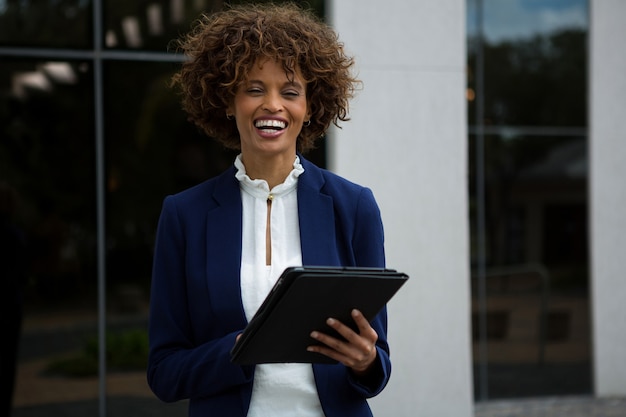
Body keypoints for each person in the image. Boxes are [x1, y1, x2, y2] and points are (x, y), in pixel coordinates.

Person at [147, 3, 391, 416]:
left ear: (310, 106)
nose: (272, 105)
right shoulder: (184, 215)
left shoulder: (354, 206)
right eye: (254, 89)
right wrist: (240, 349)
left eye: (290, 92)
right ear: (228, 100)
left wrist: (366, 360)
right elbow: (164, 372)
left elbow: (378, 366)